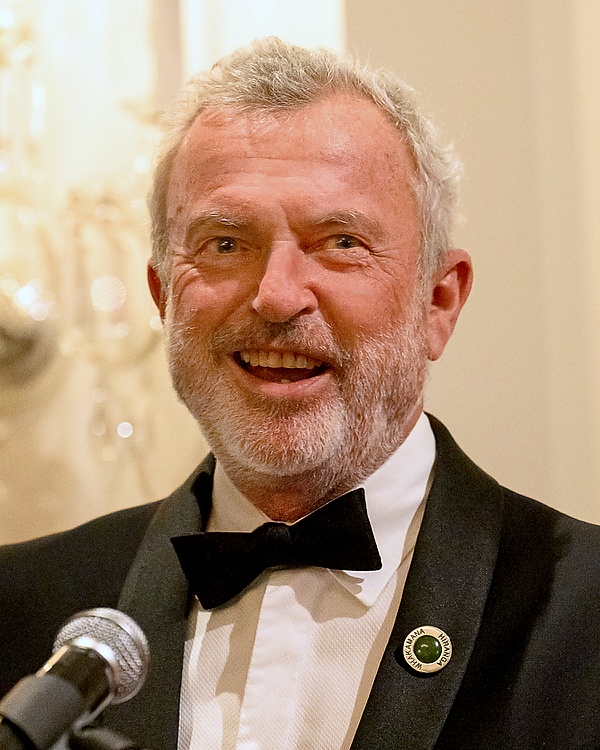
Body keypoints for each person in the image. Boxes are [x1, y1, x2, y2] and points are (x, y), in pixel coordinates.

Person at [1, 37, 600, 750]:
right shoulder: (21, 611)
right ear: (163, 297)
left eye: (341, 242)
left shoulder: (584, 612)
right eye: (226, 244)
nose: (278, 296)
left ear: (438, 301)